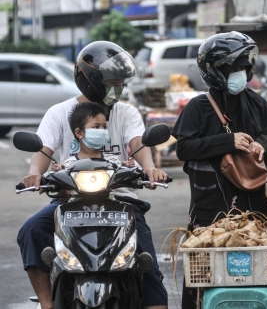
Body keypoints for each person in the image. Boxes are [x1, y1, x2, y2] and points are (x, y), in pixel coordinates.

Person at [18, 41, 169, 309]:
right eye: (113, 81)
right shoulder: (59, 113)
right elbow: (43, 149)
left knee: (144, 253)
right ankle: (46, 303)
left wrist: (149, 168)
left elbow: (138, 144)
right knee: (31, 230)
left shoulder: (126, 112)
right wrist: (34, 174)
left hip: (121, 199)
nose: (119, 87)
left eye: (122, 82)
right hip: (69, 200)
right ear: (91, 81)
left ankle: (154, 303)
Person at [171, 31, 267, 309]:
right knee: (204, 271)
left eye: (243, 68)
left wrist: (262, 143)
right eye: (233, 69)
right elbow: (184, 148)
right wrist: (228, 141)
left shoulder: (254, 101)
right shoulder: (198, 107)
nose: (241, 75)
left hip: (255, 204)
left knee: (256, 271)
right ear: (216, 72)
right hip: (210, 208)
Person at [50, 102, 136, 171]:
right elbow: (66, 190)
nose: (102, 131)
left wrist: (127, 167)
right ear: (79, 133)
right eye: (96, 127)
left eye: (104, 127)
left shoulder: (114, 161)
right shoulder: (69, 165)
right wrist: (58, 173)